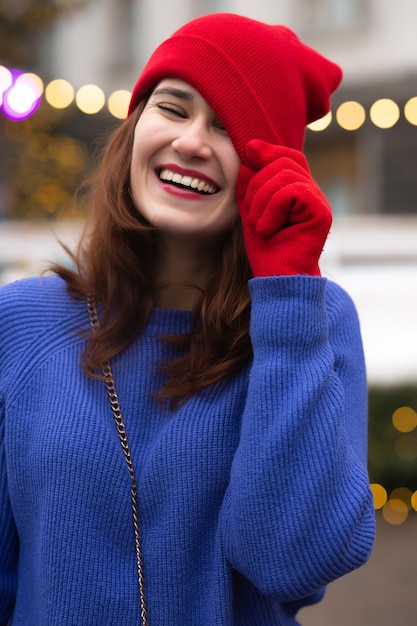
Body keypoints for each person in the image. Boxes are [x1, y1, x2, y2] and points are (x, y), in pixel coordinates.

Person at [0, 12, 375, 626]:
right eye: (173, 108)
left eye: (230, 127)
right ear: (135, 125)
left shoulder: (314, 321)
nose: (194, 142)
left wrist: (286, 294)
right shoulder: (19, 324)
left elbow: (294, 564)